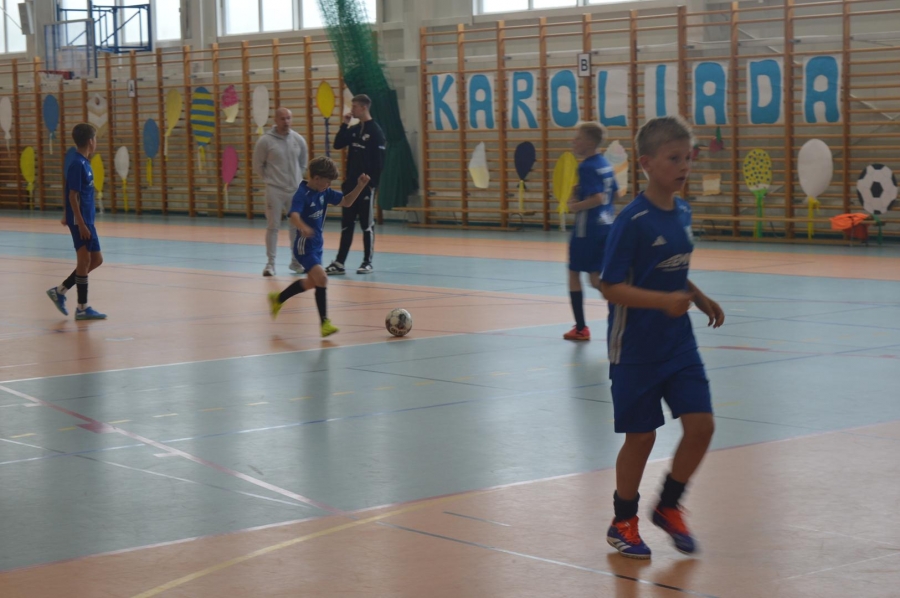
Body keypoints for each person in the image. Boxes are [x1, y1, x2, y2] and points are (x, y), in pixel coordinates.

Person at [601, 115, 725, 559]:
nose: (684, 166)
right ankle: (623, 521)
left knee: (702, 425)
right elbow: (609, 285)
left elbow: (670, 270)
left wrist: (698, 296)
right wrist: (661, 302)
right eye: (674, 158)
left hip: (678, 343)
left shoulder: (683, 211)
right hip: (634, 348)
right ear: (647, 163)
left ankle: (669, 506)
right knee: (642, 437)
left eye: (687, 158)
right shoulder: (632, 221)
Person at [268, 157, 370, 337]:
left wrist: (360, 186)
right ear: (316, 178)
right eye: (327, 181)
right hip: (304, 246)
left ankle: (278, 298)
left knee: (311, 282)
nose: (329, 185)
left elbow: (347, 201)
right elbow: (293, 216)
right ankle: (324, 324)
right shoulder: (302, 194)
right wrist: (304, 227)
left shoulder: (325, 192)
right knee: (322, 278)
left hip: (317, 246)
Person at [563, 122, 618, 341]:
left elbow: (598, 198)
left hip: (587, 231)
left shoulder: (586, 167)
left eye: (578, 138)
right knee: (596, 278)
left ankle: (581, 328)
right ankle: (630, 307)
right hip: (606, 226)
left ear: (589, 142)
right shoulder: (605, 163)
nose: (573, 141)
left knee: (574, 274)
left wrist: (575, 206)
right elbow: (615, 194)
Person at [46, 123, 106, 320]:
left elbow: (69, 190)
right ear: (90, 141)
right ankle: (82, 307)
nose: (95, 142)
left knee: (96, 260)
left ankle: (60, 291)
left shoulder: (84, 163)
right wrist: (79, 223)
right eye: (95, 139)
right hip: (81, 221)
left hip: (88, 220)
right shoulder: (77, 164)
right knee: (85, 260)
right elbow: (72, 195)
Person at [324, 94, 385, 275]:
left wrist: (371, 184)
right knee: (347, 224)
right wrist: (344, 124)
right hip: (350, 185)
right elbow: (338, 144)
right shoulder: (355, 129)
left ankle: (367, 262)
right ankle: (339, 262)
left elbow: (380, 162)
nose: (352, 110)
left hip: (365, 187)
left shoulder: (376, 132)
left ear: (364, 107)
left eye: (355, 107)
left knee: (366, 225)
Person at [253, 106, 309, 277]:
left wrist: (296, 181)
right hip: (274, 190)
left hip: (295, 191)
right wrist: (271, 180)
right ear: (276, 120)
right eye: (283, 118)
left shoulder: (298, 140)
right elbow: (258, 165)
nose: (286, 122)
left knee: (296, 228)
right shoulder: (265, 141)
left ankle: (296, 261)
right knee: (273, 226)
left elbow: (303, 163)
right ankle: (270, 264)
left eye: (288, 118)